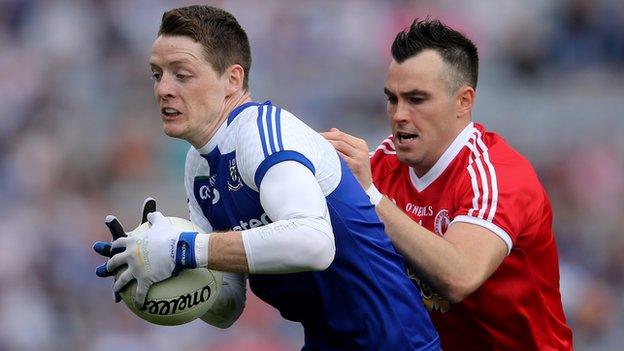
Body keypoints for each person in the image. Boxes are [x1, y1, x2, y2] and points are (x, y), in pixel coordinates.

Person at [92, 5, 440, 351]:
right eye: (157, 74)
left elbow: (314, 243)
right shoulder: (197, 167)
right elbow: (227, 305)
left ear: (233, 79)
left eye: (182, 74)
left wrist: (183, 248)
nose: (163, 89)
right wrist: (162, 274)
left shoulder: (260, 133)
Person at [323, 19, 573, 350]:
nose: (399, 114)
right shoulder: (380, 166)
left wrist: (369, 198)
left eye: (416, 99)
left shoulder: (498, 176)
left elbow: (460, 276)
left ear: (463, 101)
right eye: (392, 99)